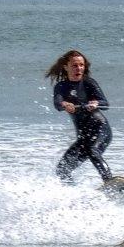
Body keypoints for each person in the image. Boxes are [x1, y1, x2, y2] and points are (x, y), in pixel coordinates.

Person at [46, 49, 115, 184]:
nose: (79, 68)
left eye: (81, 65)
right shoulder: (61, 86)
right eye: (75, 65)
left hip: (100, 129)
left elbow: (105, 104)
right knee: (62, 170)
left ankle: (109, 181)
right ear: (66, 67)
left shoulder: (89, 83)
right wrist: (65, 104)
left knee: (92, 150)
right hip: (83, 136)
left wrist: (96, 103)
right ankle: (72, 192)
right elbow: (57, 104)